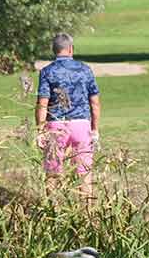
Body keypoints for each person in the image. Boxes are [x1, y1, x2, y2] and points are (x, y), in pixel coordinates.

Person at [35, 33, 101, 198]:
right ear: (71, 49)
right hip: (81, 126)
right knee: (84, 175)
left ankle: (53, 214)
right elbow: (95, 103)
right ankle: (87, 216)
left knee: (52, 174)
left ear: (54, 50)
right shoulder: (85, 69)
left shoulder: (47, 71)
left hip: (56, 127)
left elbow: (42, 104)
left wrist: (40, 130)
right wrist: (95, 129)